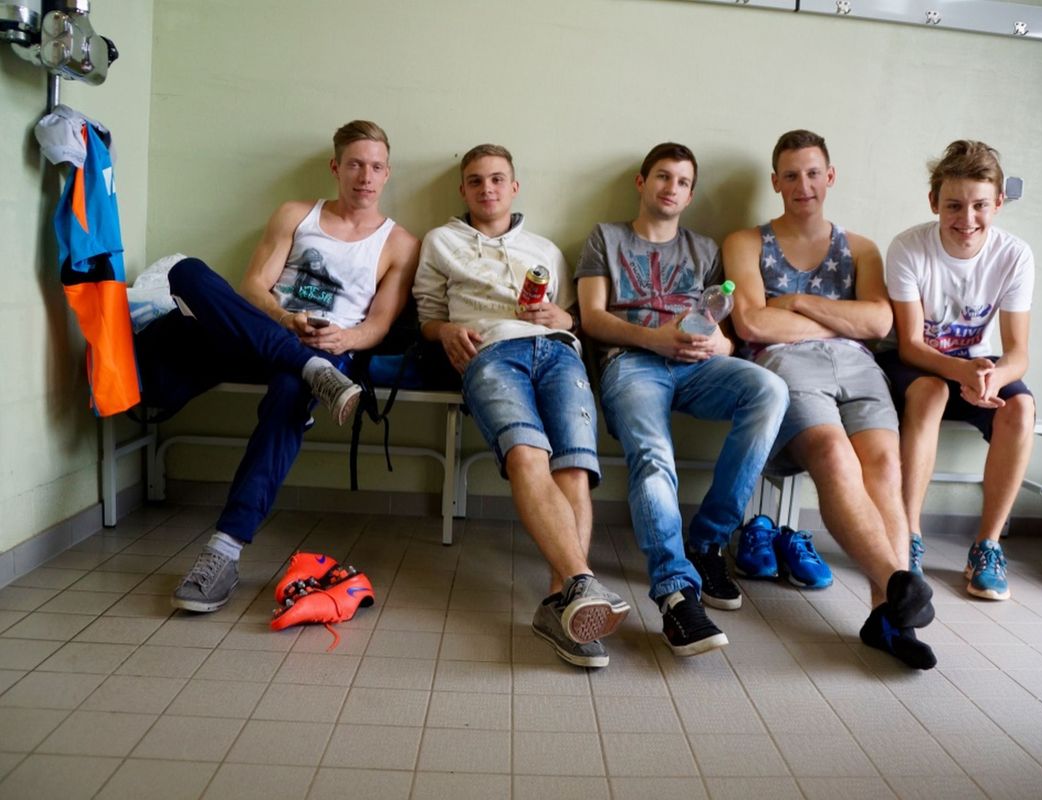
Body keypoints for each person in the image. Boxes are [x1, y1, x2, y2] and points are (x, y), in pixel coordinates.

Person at [135, 120, 420, 613]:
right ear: (336, 167)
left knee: (290, 392)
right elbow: (253, 287)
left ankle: (225, 550)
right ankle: (309, 368)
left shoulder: (399, 243)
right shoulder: (296, 214)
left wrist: (343, 338)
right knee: (186, 272)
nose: (365, 176)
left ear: (387, 173)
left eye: (376, 167)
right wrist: (286, 319)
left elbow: (377, 324)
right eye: (355, 164)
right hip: (265, 333)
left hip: (330, 348)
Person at [724, 130, 937, 669]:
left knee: (885, 464)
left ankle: (888, 617)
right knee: (834, 454)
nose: (804, 185)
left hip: (858, 366)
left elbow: (879, 322)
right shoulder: (746, 243)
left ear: (831, 176)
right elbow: (752, 323)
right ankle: (898, 587)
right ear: (776, 182)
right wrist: (840, 318)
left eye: (813, 173)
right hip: (785, 364)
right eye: (791, 175)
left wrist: (794, 301)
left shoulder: (860, 248)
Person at [413, 144, 629, 669]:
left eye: (496, 179)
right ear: (463, 190)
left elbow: (571, 316)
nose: (486, 188)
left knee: (574, 465)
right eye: (475, 180)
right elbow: (427, 316)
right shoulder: (441, 241)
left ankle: (562, 604)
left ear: (513, 187)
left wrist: (563, 318)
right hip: (490, 353)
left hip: (558, 353)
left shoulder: (545, 249)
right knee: (527, 454)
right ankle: (581, 584)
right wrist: (447, 332)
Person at [576, 143, 788, 657]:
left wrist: (721, 346)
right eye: (663, 176)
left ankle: (707, 541)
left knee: (770, 389)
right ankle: (675, 592)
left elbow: (723, 328)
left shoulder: (705, 249)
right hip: (631, 363)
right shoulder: (605, 237)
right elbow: (592, 319)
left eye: (683, 182)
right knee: (655, 456)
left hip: (697, 367)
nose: (672, 188)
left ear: (691, 195)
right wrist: (654, 339)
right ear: (642, 182)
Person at [879, 140, 1035, 602]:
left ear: (998, 203)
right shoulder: (908, 247)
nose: (967, 218)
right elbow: (910, 344)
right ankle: (908, 536)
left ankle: (987, 547)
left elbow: (1018, 353)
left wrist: (991, 378)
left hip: (977, 366)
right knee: (931, 392)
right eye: (954, 205)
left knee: (1021, 409)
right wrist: (962, 372)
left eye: (980, 205)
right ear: (934, 202)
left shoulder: (1015, 256)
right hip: (917, 363)